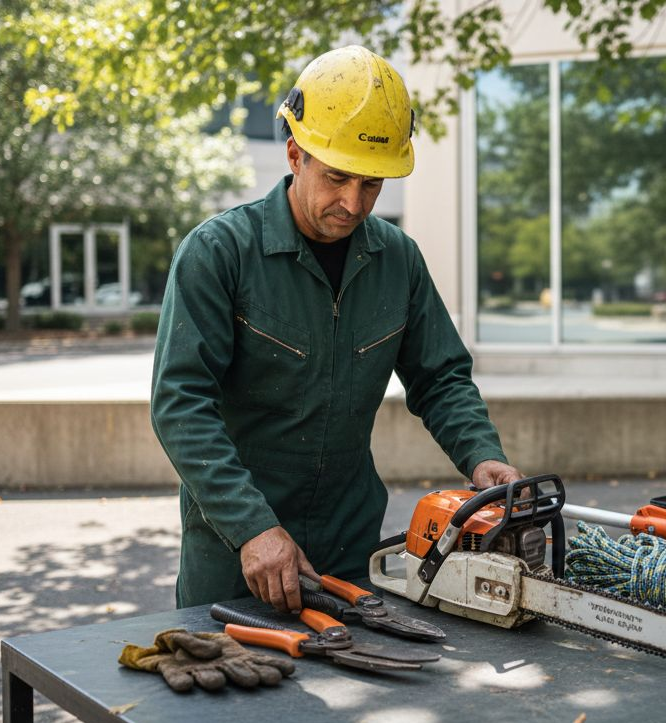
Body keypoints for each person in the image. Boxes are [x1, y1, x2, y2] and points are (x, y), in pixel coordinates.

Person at [150, 46, 522, 614]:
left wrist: (481, 455)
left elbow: (440, 377)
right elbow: (180, 404)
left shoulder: (399, 260)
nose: (353, 203)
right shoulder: (218, 253)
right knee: (227, 696)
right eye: (338, 177)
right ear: (295, 154)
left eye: (371, 184)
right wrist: (252, 527)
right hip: (237, 553)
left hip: (350, 547)